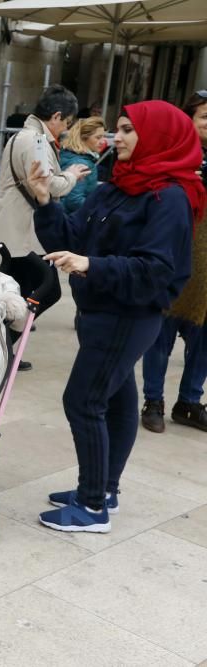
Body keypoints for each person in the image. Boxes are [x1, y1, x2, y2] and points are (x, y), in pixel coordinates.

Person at [31, 100, 203, 533]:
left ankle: (91, 508)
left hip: (128, 316)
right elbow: (72, 237)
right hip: (99, 311)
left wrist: (93, 265)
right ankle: (104, 490)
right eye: (117, 129)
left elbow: (158, 271)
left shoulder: (170, 199)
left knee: (83, 401)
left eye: (128, 130)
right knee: (118, 400)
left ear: (159, 136)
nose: (117, 137)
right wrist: (46, 202)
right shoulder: (117, 186)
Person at [140, 92, 207, 433]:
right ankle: (153, 400)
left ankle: (190, 402)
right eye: (205, 117)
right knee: (160, 335)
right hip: (175, 258)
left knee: (204, 338)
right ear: (189, 120)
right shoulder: (172, 158)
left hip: (206, 269)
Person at [0, 84, 90, 256]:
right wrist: (71, 175)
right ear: (57, 116)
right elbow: (47, 184)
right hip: (26, 236)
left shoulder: (23, 136)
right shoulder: (37, 142)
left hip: (18, 232)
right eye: (67, 122)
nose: (66, 129)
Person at [59, 116, 106, 214]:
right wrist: (98, 211)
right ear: (84, 138)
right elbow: (74, 201)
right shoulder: (81, 163)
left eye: (103, 136)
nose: (103, 141)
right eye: (98, 137)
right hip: (71, 220)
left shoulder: (73, 155)